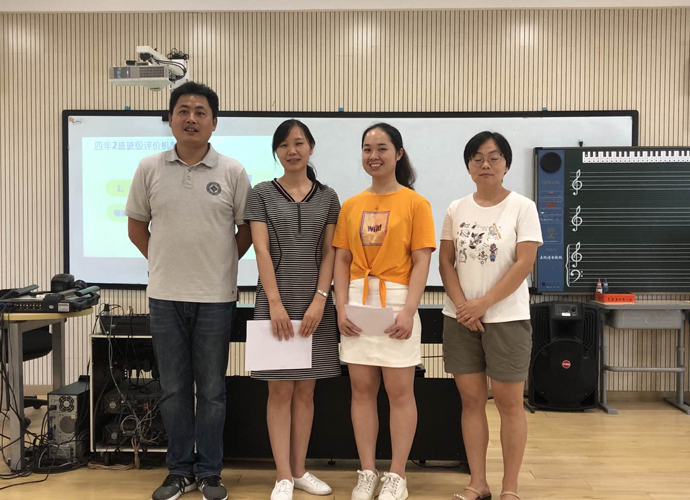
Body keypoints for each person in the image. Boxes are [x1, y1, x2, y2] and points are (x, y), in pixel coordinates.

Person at [126, 81, 252, 500]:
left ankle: (210, 472)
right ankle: (179, 471)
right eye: (183, 110)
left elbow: (246, 230)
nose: (191, 118)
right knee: (174, 389)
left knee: (212, 390)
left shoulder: (232, 171)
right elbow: (136, 227)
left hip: (216, 298)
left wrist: (218, 264)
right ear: (170, 119)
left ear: (214, 122)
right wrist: (166, 261)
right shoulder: (149, 168)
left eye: (201, 112)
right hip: (164, 297)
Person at [333, 123, 435, 500]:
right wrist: (340, 307)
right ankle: (367, 472)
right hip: (357, 300)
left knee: (399, 392)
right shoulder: (351, 205)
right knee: (361, 390)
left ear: (398, 153)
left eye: (381, 148)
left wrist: (409, 310)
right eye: (367, 149)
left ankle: (397, 476)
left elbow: (421, 262)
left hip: (396, 301)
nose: (373, 156)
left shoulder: (416, 203)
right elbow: (342, 259)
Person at [438, 131, 542, 500]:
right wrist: (463, 306)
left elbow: (524, 263)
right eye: (477, 158)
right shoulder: (456, 209)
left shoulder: (522, 207)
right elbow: (445, 262)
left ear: (506, 165)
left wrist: (483, 303)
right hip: (460, 319)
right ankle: (478, 483)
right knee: (471, 402)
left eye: (494, 157)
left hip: (507, 319)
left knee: (509, 403)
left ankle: (509, 487)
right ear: (468, 166)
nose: (486, 164)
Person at [245, 119, 341, 500]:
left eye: (299, 143)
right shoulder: (261, 194)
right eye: (284, 145)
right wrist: (274, 303)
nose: (292, 150)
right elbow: (261, 249)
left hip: (315, 304)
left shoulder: (329, 197)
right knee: (280, 391)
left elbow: (330, 252)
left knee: (306, 391)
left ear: (311, 147)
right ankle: (282, 476)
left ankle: (300, 470)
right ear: (277, 151)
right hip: (275, 303)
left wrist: (320, 298)